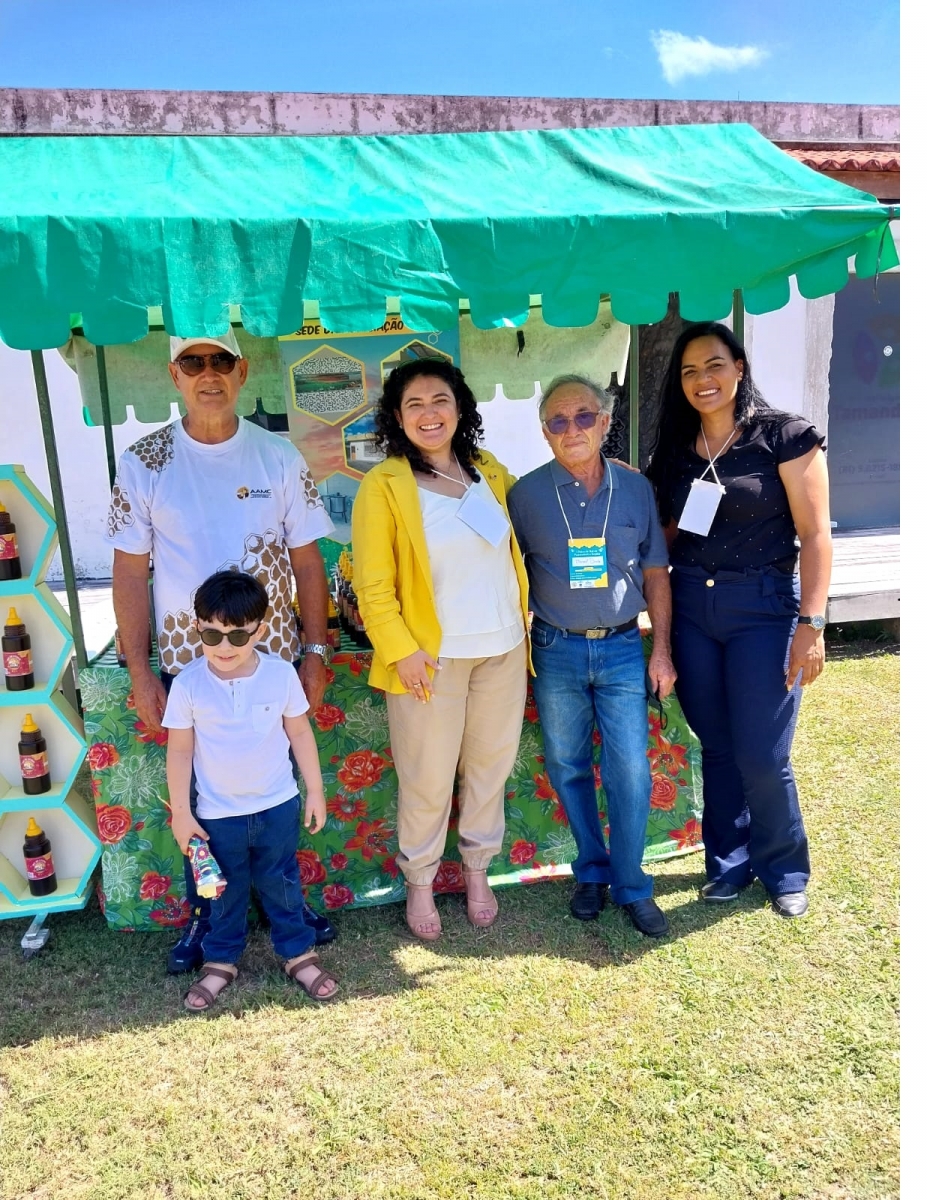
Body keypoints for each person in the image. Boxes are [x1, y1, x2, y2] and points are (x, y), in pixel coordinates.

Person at [107, 327, 337, 973]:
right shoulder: (143, 460)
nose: (208, 373)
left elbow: (307, 560)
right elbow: (128, 572)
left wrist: (314, 649)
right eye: (192, 361)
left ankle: (289, 910)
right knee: (202, 798)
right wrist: (138, 667)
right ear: (173, 375)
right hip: (187, 661)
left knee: (277, 787)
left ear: (241, 374)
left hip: (272, 654)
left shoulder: (277, 455)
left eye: (221, 361)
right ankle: (207, 921)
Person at [646, 322, 832, 919]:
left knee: (762, 751)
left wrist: (813, 623)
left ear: (740, 368)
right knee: (719, 744)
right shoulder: (675, 454)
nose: (703, 380)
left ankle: (783, 867)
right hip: (694, 611)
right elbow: (667, 537)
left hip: (765, 609)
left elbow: (816, 534)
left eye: (714, 365)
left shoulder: (784, 436)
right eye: (689, 371)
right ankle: (727, 863)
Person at [351, 358, 531, 941]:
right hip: (431, 658)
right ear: (396, 418)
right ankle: (422, 881)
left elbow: (533, 519)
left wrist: (597, 470)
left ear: (460, 408)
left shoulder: (488, 472)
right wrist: (402, 649)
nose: (429, 414)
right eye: (415, 405)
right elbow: (373, 586)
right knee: (427, 777)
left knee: (488, 770)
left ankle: (478, 872)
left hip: (502, 648)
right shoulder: (384, 486)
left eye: (440, 401)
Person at [507, 375, 675, 937]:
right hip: (556, 649)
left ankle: (631, 883)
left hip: (626, 648)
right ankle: (592, 871)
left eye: (583, 417)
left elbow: (656, 572)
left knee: (629, 769)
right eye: (558, 421)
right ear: (545, 432)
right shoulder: (524, 496)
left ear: (605, 422)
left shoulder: (636, 490)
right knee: (568, 765)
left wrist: (663, 652)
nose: (571, 429)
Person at [163, 571, 338, 1010]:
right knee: (223, 890)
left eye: (237, 636)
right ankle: (220, 961)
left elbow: (300, 734)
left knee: (281, 883)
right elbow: (180, 752)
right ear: (197, 626)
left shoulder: (281, 676)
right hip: (217, 815)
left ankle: (298, 954)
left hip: (277, 806)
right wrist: (182, 814)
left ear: (259, 630)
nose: (223, 647)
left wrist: (314, 791)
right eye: (211, 634)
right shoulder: (187, 684)